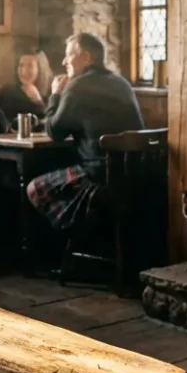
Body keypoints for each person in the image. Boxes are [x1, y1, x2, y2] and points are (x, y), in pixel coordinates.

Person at [26, 33, 144, 232]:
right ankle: (90, 237)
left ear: (87, 58)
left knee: (35, 189)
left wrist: (55, 94)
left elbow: (54, 132)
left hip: (98, 181)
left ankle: (74, 242)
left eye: (69, 55)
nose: (64, 61)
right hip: (135, 178)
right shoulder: (121, 82)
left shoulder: (77, 86)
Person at [0, 47, 52, 122]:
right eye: (21, 65)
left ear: (40, 69)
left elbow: (51, 124)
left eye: (30, 66)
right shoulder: (7, 93)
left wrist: (38, 101)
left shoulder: (52, 94)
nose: (24, 71)